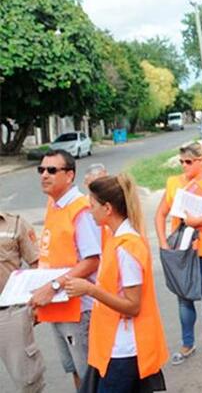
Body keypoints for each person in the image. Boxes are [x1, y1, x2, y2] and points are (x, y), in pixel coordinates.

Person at [65, 174, 168, 392]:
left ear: (108, 208)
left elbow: (132, 306)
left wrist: (90, 289)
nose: (89, 210)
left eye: (92, 205)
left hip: (124, 349)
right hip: (113, 345)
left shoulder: (126, 247)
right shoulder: (116, 237)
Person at [30, 149, 103, 390]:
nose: (44, 175)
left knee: (89, 375)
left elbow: (92, 260)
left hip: (78, 309)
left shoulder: (81, 209)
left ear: (69, 175)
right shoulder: (54, 204)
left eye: (52, 170)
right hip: (57, 305)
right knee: (73, 369)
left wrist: (52, 287)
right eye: (42, 170)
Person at [154, 142, 202, 365]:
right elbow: (160, 214)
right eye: (181, 161)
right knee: (184, 298)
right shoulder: (174, 183)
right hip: (181, 248)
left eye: (189, 161)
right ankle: (187, 343)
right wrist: (163, 242)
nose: (184, 166)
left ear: (201, 161)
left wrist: (197, 221)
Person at [0, 211, 45, 392]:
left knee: (27, 381)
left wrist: (35, 302)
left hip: (10, 312)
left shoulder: (16, 224)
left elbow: (37, 263)